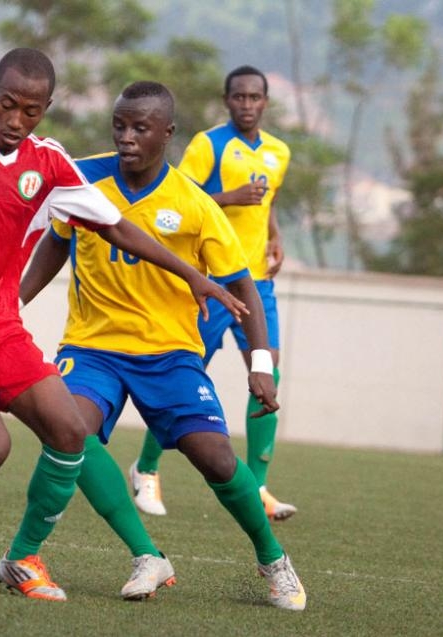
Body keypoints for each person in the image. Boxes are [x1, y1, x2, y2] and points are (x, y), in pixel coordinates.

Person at [0, 49, 245, 603]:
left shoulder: (49, 161)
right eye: (7, 104)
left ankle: (24, 559)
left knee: (70, 432)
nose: (16, 121)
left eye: (31, 111)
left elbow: (116, 228)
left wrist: (194, 277)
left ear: (46, 108)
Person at [20, 81, 306, 610]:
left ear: (167, 134)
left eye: (140, 128)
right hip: (92, 347)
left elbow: (242, 283)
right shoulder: (83, 178)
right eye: (119, 126)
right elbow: (55, 245)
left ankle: (273, 560)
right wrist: (10, 303)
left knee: (217, 459)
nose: (127, 137)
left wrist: (260, 364)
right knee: (69, 433)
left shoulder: (195, 204)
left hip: (170, 352)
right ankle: (138, 554)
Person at [129, 65, 297, 521]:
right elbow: (176, 198)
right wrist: (231, 196)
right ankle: (146, 469)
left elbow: (269, 204)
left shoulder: (279, 152)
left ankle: (258, 487)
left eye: (255, 97)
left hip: (255, 280)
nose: (247, 104)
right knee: (183, 375)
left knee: (268, 374)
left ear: (265, 101)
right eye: (239, 97)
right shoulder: (209, 145)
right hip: (210, 280)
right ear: (227, 100)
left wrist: (274, 236)